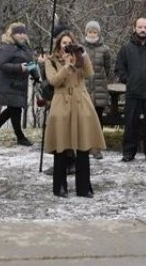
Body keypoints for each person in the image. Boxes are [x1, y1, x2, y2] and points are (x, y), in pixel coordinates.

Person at [42, 32, 106, 197]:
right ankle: (60, 186)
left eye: (70, 42)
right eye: (64, 43)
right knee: (61, 147)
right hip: (61, 104)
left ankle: (84, 187)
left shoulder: (79, 57)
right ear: (58, 45)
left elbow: (90, 73)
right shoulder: (51, 60)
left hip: (80, 103)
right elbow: (54, 81)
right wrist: (66, 65)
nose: (67, 45)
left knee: (83, 146)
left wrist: (82, 54)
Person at [115, 17, 146, 162]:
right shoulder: (126, 48)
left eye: (145, 27)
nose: (143, 30)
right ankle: (129, 151)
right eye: (140, 27)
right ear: (134, 28)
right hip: (133, 93)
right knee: (130, 123)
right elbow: (119, 68)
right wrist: (127, 80)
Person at [0, 23, 34, 147]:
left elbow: (29, 63)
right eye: (19, 33)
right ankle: (20, 137)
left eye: (23, 32)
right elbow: (1, 64)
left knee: (14, 108)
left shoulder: (24, 47)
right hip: (7, 83)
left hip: (18, 84)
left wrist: (36, 67)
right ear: (12, 34)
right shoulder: (8, 47)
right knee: (15, 109)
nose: (22, 35)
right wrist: (19, 67)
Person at [82, 21, 112, 159]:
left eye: (95, 32)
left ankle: (96, 147)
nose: (92, 34)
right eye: (90, 32)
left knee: (98, 120)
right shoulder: (80, 48)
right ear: (86, 32)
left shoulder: (105, 49)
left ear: (98, 33)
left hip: (100, 88)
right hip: (84, 89)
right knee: (85, 119)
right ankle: (84, 145)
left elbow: (108, 68)